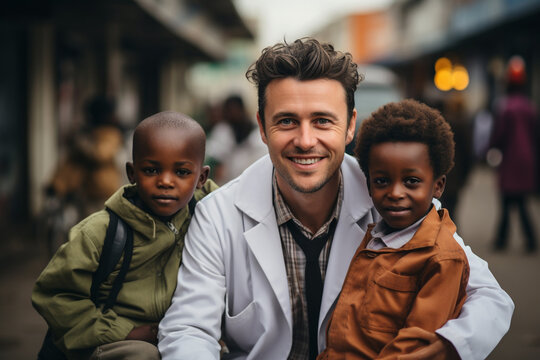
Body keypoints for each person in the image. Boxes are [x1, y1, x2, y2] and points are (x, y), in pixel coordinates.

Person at [158, 38, 514, 360]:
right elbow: (188, 329)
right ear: (262, 128)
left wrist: (450, 346)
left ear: (350, 126)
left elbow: (490, 297)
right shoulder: (217, 216)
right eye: (286, 121)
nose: (306, 140)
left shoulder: (393, 199)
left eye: (323, 121)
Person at [32, 111, 218, 360]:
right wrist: (127, 331)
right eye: (151, 170)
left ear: (201, 178)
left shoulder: (209, 214)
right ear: (132, 173)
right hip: (112, 341)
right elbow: (54, 295)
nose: (165, 181)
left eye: (182, 172)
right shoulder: (99, 232)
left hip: (178, 335)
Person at [319, 99, 469, 359]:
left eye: (411, 181)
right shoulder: (374, 237)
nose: (395, 193)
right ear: (368, 185)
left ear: (438, 185)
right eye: (382, 181)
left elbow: (413, 347)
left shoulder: (442, 258)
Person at [490, 55, 538, 253]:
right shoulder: (530, 107)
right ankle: (530, 240)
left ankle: (502, 240)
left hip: (510, 162)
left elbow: (499, 135)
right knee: (521, 201)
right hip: (527, 162)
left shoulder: (505, 107)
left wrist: (489, 151)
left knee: (507, 201)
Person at [205, 94, 268, 185]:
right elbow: (216, 163)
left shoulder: (258, 135)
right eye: (229, 111)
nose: (233, 114)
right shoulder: (222, 131)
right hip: (228, 186)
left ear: (242, 109)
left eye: (235, 109)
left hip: (254, 182)